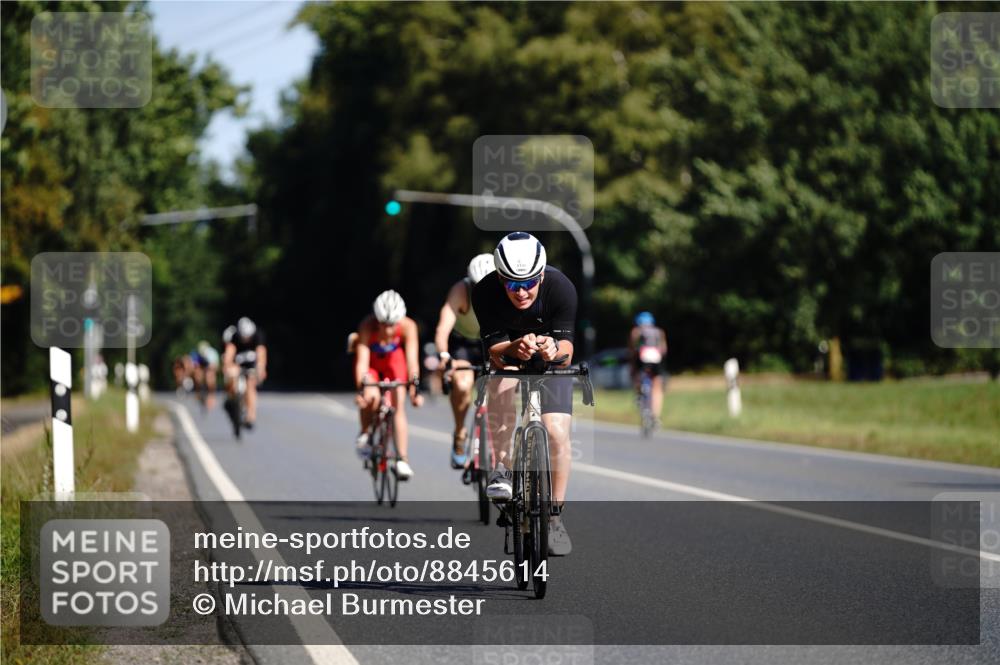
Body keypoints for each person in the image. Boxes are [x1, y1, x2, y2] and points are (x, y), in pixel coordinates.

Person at [472, 232, 577, 556]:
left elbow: (568, 351)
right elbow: (494, 351)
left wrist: (553, 348)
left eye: (529, 283)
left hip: (549, 359)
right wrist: (515, 347)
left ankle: (555, 520)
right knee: (501, 382)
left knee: (557, 432)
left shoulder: (561, 288)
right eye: (513, 285)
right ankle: (503, 469)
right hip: (508, 354)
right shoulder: (486, 291)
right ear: (500, 278)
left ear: (541, 275)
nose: (522, 292)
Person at [354, 290, 423, 480]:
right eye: (383, 324)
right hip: (373, 364)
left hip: (395, 362)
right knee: (371, 396)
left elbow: (412, 361)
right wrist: (361, 388)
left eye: (392, 325)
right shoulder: (367, 326)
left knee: (398, 404)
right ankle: (365, 433)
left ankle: (402, 459)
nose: (388, 330)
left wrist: (413, 389)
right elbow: (362, 361)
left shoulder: (408, 326)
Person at [434, 253, 494, 469]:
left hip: (492, 342)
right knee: (461, 384)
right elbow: (443, 328)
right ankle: (460, 432)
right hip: (464, 344)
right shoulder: (460, 291)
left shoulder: (507, 291)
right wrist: (443, 355)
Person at [221, 317, 267, 431]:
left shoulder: (257, 335)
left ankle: (250, 416)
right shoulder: (234, 336)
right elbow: (229, 353)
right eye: (243, 337)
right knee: (231, 378)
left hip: (251, 364)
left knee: (251, 385)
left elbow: (261, 354)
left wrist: (261, 369)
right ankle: (231, 401)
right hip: (237, 363)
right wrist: (227, 367)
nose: (245, 340)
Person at [629, 311, 668, 429]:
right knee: (657, 387)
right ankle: (656, 416)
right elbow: (664, 350)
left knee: (636, 375)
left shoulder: (636, 331)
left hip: (642, 359)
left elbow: (632, 350)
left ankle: (639, 393)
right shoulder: (659, 332)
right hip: (656, 359)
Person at [189, 340, 220, 408]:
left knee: (210, 377)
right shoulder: (196, 353)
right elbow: (194, 365)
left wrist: (209, 370)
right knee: (197, 375)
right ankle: (198, 391)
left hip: (209, 367)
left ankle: (211, 394)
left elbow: (215, 366)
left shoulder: (212, 353)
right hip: (201, 367)